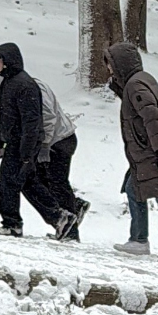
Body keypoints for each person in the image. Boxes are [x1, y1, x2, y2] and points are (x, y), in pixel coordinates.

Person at [0, 43, 79, 240]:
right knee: (28, 181)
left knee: (11, 181)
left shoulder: (26, 86)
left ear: (6, 62)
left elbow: (37, 121)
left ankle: (14, 223)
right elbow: (6, 116)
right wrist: (0, 137)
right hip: (20, 141)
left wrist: (36, 149)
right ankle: (61, 218)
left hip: (42, 141)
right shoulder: (9, 84)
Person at [104, 42, 158, 257]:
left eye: (110, 64)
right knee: (134, 189)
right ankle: (139, 239)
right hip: (146, 153)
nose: (109, 69)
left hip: (150, 153)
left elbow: (151, 116)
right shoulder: (140, 81)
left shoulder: (135, 86)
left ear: (120, 64)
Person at [32, 75, 89, 240]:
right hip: (63, 137)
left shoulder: (34, 89)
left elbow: (49, 117)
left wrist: (44, 145)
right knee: (47, 180)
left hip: (59, 140)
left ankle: (70, 232)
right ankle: (74, 207)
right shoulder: (37, 83)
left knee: (55, 182)